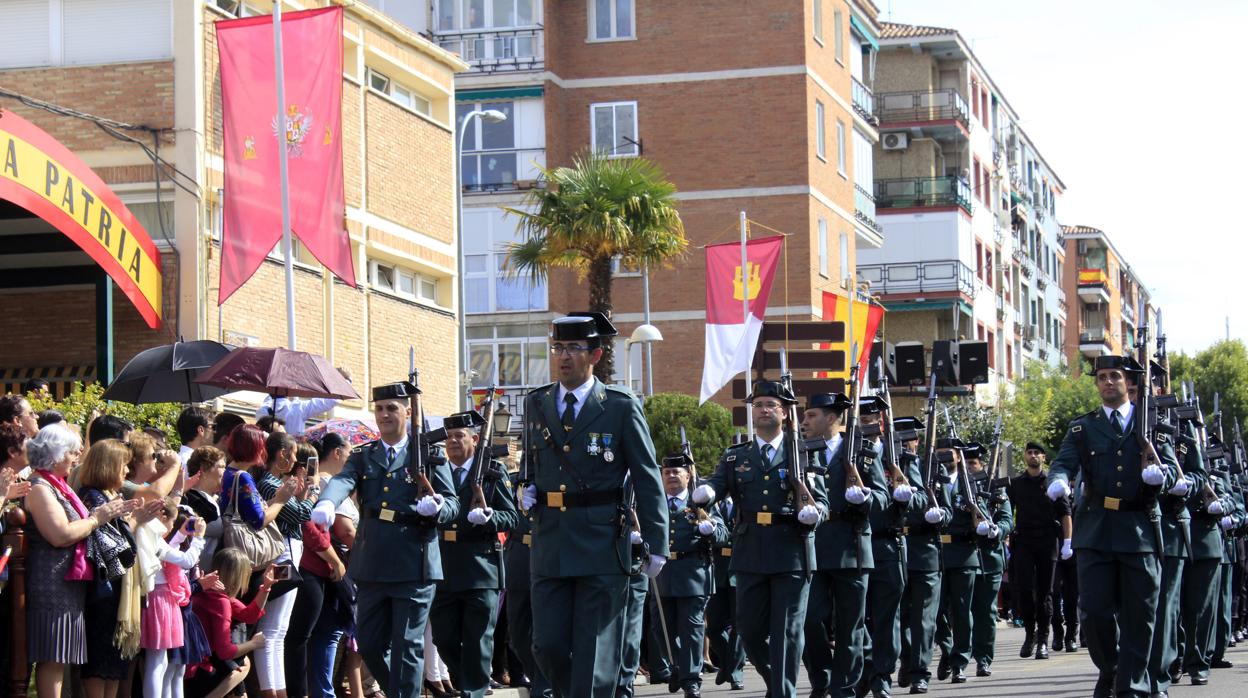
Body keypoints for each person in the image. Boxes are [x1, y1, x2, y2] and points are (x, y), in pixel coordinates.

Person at [517, 312, 668, 698]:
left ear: (595, 354)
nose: (563, 356)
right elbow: (530, 467)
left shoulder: (619, 405)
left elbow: (647, 477)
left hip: (602, 543)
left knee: (595, 652)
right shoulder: (537, 403)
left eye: (573, 348)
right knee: (546, 645)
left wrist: (657, 544)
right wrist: (525, 489)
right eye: (558, 348)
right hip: (550, 541)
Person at [312, 381, 459, 698]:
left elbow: (452, 503)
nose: (384, 414)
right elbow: (342, 480)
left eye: (391, 408)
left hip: (414, 561)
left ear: (408, 411)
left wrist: (439, 507)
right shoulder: (365, 457)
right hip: (373, 562)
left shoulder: (430, 455)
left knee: (407, 645)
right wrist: (327, 501)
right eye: (379, 409)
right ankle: (403, 693)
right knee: (369, 642)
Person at [1046, 354, 1179, 698]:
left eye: (1115, 376)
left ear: (1128, 382)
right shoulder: (1083, 427)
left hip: (1139, 529)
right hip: (1097, 529)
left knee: (1140, 615)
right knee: (1093, 612)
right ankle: (1112, 667)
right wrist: (1058, 480)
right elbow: (1062, 463)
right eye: (1102, 377)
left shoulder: (1150, 424)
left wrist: (1159, 477)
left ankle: (1132, 685)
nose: (1108, 382)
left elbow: (1176, 474)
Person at [692, 380, 829, 698]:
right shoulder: (735, 456)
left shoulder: (803, 451)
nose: (764, 410)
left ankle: (783, 692)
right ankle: (779, 683)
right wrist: (708, 493)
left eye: (771, 405)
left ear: (784, 412)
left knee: (786, 632)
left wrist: (814, 513)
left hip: (792, 549)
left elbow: (821, 501)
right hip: (751, 550)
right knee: (750, 632)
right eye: (758, 405)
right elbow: (716, 485)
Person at [23, 425, 138, 698]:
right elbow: (59, 534)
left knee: (59, 658)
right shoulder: (40, 487)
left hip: (67, 585)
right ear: (57, 453)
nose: (77, 457)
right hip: (51, 583)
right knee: (52, 657)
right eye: (73, 452)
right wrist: (98, 518)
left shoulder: (57, 486)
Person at [799, 392, 889, 698]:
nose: (804, 421)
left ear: (832, 418)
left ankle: (844, 687)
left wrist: (863, 497)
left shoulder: (862, 452)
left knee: (851, 625)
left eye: (811, 415)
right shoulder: (801, 452)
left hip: (852, 545)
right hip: (812, 547)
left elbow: (882, 497)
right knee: (810, 619)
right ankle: (821, 676)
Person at [429, 410, 520, 698]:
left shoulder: (492, 471)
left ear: (475, 439)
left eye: (460, 436)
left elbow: (511, 518)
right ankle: (470, 680)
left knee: (478, 639)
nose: (454, 441)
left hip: (481, 566)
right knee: (444, 638)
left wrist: (490, 517)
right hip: (443, 565)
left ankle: (474, 690)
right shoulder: (435, 471)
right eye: (450, 437)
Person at [647, 450, 727, 698]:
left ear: (688, 474)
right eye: (667, 472)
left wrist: (710, 530)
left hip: (693, 572)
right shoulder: (653, 502)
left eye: (676, 472)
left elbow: (724, 534)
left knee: (691, 627)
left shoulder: (700, 502)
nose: (671, 476)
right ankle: (677, 666)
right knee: (662, 628)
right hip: (661, 573)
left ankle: (691, 679)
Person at [860, 402, 926, 698]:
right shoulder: (846, 452)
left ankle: (881, 676)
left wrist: (905, 496)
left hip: (887, 542)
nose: (867, 421)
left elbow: (923, 499)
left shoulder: (898, 453)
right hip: (852, 545)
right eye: (862, 417)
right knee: (852, 617)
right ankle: (862, 669)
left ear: (882, 420)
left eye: (872, 417)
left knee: (887, 617)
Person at [252, 432, 315, 698]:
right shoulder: (268, 483)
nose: (294, 459)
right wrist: (311, 497)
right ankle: (271, 692)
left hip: (290, 551)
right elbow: (300, 514)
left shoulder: (276, 482)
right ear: (282, 454)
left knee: (280, 629)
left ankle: (279, 691)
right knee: (272, 629)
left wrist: (301, 497)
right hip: (280, 555)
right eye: (291, 454)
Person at [895, 417, 950, 696]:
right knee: (899, 616)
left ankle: (920, 671)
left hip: (924, 548)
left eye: (910, 438)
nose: (906, 443)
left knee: (924, 618)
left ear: (917, 441)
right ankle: (906, 659)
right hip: (894, 549)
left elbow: (948, 510)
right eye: (900, 438)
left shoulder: (932, 466)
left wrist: (937, 515)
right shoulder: (884, 468)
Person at [1008, 442, 1071, 661]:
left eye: (1037, 453)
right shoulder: (1016, 484)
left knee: (1046, 593)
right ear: (1025, 456)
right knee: (1023, 591)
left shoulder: (1052, 483)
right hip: (1024, 541)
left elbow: (1065, 513)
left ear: (1044, 457)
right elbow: (1008, 513)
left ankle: (1043, 640)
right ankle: (1029, 634)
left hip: (1047, 541)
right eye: (1030, 452)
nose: (1033, 455)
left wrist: (1067, 542)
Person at [140, 504, 209, 698]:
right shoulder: (153, 538)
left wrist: (180, 535)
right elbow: (186, 561)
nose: (171, 527)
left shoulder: (148, 535)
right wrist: (198, 538)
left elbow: (169, 554)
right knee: (156, 663)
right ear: (162, 518)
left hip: (157, 598)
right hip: (160, 600)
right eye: (171, 521)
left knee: (160, 663)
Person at [186, 549, 275, 698]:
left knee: (238, 663)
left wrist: (266, 587)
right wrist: (254, 644)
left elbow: (249, 615)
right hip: (196, 673)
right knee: (243, 665)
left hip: (185, 666)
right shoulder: (221, 602)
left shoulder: (206, 589)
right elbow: (225, 651)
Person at [933, 439, 982, 685]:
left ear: (958, 457)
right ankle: (947, 647)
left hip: (964, 553)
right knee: (937, 610)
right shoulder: (930, 480)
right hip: (937, 553)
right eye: (939, 453)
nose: (943, 458)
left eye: (948, 454)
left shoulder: (971, 482)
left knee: (962, 611)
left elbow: (983, 511)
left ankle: (960, 661)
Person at [964, 442, 1013, 677]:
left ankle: (983, 658)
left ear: (982, 465)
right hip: (964, 557)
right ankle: (958, 656)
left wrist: (996, 530)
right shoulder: (957, 487)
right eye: (966, 463)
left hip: (990, 558)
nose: (969, 468)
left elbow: (1007, 520)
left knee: (986, 612)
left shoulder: (996, 489)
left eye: (973, 463)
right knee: (961, 611)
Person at [704, 489, 746, 692]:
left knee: (740, 625)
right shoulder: (711, 504)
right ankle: (729, 663)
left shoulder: (745, 499)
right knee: (713, 626)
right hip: (717, 569)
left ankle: (735, 673)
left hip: (741, 567)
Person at [256, 368, 350, 435]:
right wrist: (345, 381)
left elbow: (270, 398)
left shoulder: (261, 412)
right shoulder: (297, 409)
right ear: (288, 390)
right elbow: (329, 401)